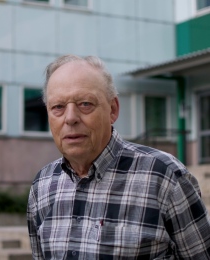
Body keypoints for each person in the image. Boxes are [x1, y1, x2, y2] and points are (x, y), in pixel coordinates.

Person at [27, 54, 210, 259]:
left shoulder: (165, 178)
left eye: (85, 104)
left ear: (112, 110)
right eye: (58, 107)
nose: (70, 118)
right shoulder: (42, 186)